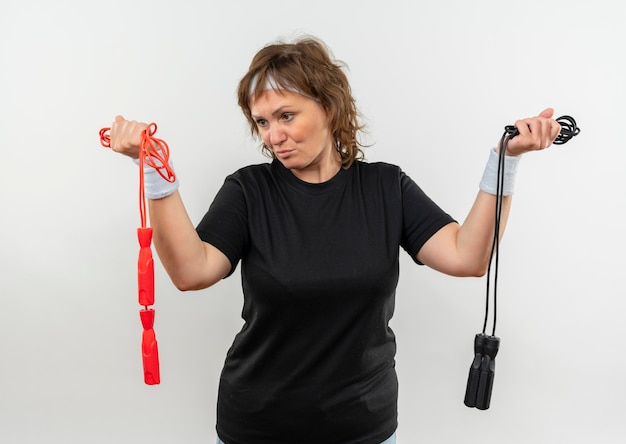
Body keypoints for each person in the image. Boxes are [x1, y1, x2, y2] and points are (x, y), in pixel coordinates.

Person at [107, 36, 561, 444]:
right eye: (263, 122)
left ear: (330, 107)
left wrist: (505, 161)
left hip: (364, 428)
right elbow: (190, 272)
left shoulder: (386, 188)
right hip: (259, 427)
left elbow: (468, 256)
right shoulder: (249, 191)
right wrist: (154, 174)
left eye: (287, 115)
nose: (274, 136)